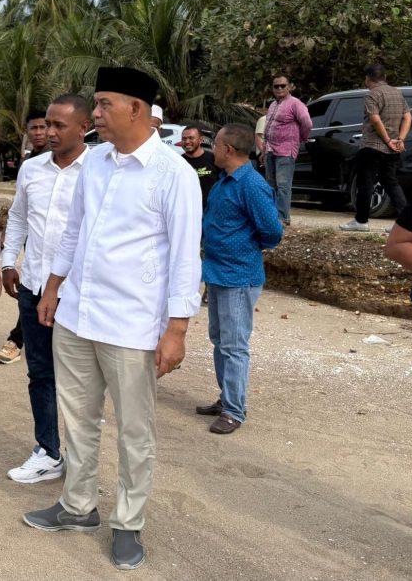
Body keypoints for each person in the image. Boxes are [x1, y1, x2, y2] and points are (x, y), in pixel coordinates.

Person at [27, 67, 201, 571]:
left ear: (137, 110)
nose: (95, 114)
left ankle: (128, 523)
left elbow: (186, 259)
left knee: (134, 430)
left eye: (103, 105)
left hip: (133, 324)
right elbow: (74, 230)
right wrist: (55, 287)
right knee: (78, 419)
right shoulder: (97, 163)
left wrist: (178, 328)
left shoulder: (175, 175)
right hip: (78, 314)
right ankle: (78, 507)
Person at [1, 93, 90, 484]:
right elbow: (18, 217)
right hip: (34, 286)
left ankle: (81, 455)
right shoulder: (32, 170)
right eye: (47, 125)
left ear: (83, 127)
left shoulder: (98, 171)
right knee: (40, 372)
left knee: (80, 378)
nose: (49, 132)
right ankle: (48, 451)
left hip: (78, 294)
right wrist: (8, 261)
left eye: (59, 126)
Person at [196, 124, 282, 434]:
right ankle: (227, 399)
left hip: (238, 276)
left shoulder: (251, 184)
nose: (212, 150)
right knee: (220, 340)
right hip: (218, 272)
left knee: (233, 345)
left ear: (228, 150)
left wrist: (247, 247)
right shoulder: (224, 181)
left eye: (215, 145)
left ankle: (234, 410)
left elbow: (272, 231)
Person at [0, 111, 51, 365]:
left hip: (63, 246)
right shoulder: (29, 163)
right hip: (34, 239)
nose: (39, 133)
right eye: (34, 128)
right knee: (32, 288)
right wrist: (8, 253)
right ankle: (17, 340)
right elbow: (20, 209)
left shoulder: (78, 162)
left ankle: (20, 339)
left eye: (43, 127)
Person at [340, 64, 411, 232]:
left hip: (372, 146)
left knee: (366, 183)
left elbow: (375, 119)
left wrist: (387, 140)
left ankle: (361, 221)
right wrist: (400, 139)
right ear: (384, 77)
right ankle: (406, 223)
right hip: (394, 147)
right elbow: (408, 117)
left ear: (367, 78)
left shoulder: (372, 95)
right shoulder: (397, 93)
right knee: (391, 183)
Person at [263, 74, 312, 226]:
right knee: (270, 185)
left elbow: (307, 123)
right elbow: (268, 128)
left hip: (285, 150)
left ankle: (283, 218)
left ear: (289, 87)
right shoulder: (272, 105)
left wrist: (301, 138)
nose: (279, 88)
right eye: (276, 86)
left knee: (283, 185)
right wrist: (265, 148)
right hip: (270, 150)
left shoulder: (296, 104)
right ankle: (272, 217)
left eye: (282, 85)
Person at [181, 125, 220, 208]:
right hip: (188, 211)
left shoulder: (214, 159)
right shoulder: (178, 162)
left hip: (210, 212)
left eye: (191, 138)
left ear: (200, 140)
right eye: (184, 139)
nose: (187, 141)